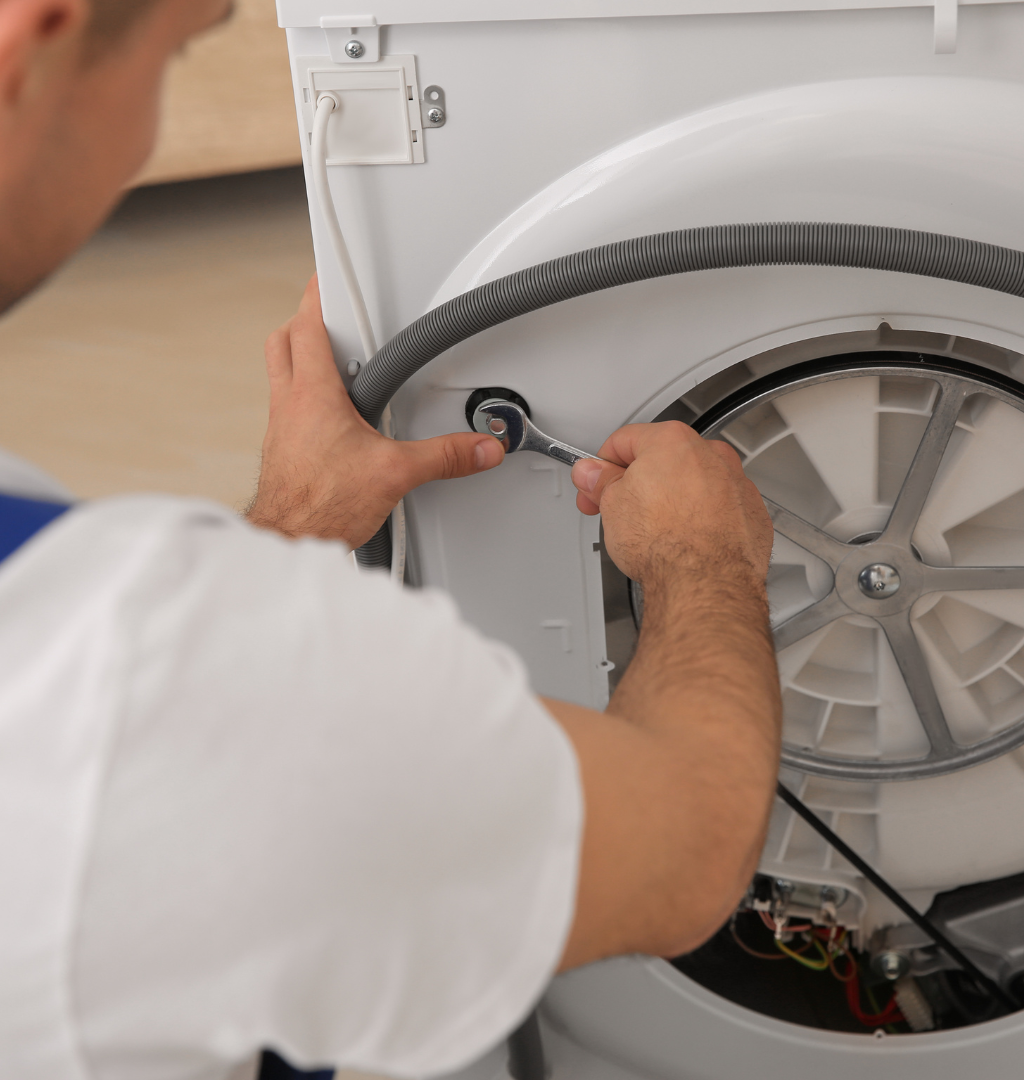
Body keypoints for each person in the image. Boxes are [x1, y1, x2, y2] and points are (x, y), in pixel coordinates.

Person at [0, 1, 783, 1078]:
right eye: (173, 54)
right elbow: (694, 849)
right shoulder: (125, 681)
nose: (141, 135)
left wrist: (293, 526)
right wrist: (710, 559)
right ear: (29, 37)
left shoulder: (111, 653)